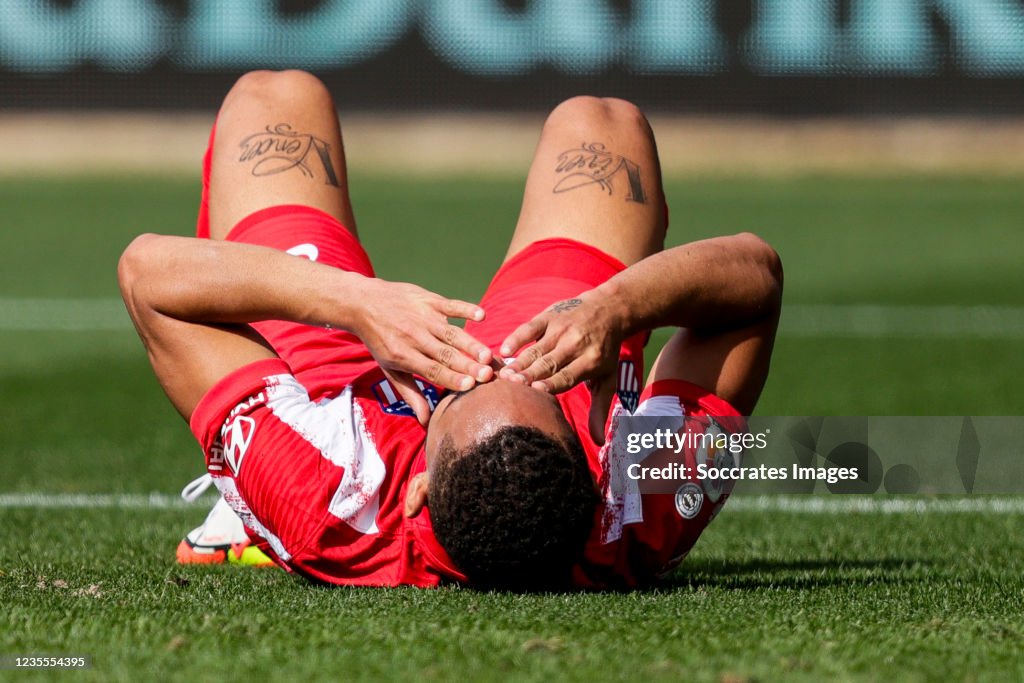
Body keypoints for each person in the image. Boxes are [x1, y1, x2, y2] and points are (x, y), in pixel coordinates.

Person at [118, 70, 782, 590]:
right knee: (601, 123)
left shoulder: (323, 489)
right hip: (537, 382)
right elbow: (757, 275)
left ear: (419, 492)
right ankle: (528, 385)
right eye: (534, 383)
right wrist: (614, 310)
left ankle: (238, 510)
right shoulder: (636, 502)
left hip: (335, 410)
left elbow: (148, 270)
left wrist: (356, 304)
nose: (485, 360)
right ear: (594, 461)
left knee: (274, 99)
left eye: (461, 384)